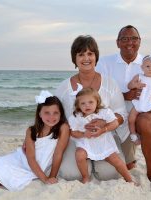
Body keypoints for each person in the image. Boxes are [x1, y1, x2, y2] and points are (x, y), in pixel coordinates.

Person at [96, 25, 151, 184]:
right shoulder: (104, 63)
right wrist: (126, 95)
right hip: (114, 119)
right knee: (124, 167)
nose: (129, 42)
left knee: (147, 120)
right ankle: (128, 157)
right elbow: (96, 94)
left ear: (140, 42)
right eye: (124, 39)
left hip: (140, 116)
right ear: (117, 43)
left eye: (134, 38)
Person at [55, 35, 130, 181]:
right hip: (78, 140)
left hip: (105, 137)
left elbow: (121, 114)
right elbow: (53, 114)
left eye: (90, 53)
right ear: (74, 59)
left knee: (110, 174)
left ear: (96, 56)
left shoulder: (109, 83)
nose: (86, 58)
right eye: (81, 54)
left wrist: (105, 125)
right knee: (71, 174)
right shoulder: (65, 87)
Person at [0, 91, 70, 191]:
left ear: (60, 114)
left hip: (37, 167)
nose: (51, 117)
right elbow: (30, 158)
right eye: (47, 112)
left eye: (55, 113)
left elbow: (58, 154)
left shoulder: (63, 128)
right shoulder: (31, 130)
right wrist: (45, 179)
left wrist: (51, 177)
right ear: (40, 114)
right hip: (23, 159)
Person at [69, 87, 133, 183]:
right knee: (79, 155)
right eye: (83, 103)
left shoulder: (104, 112)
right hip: (86, 143)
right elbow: (73, 132)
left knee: (116, 160)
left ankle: (129, 179)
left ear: (97, 101)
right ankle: (85, 176)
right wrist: (83, 134)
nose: (87, 105)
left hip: (104, 142)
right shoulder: (76, 116)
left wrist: (104, 129)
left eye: (91, 102)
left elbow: (115, 123)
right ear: (78, 105)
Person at [128, 54, 151, 145]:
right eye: (147, 66)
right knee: (131, 119)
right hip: (139, 103)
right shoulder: (139, 76)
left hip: (150, 103)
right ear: (142, 67)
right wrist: (135, 85)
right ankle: (133, 135)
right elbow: (129, 86)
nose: (150, 69)